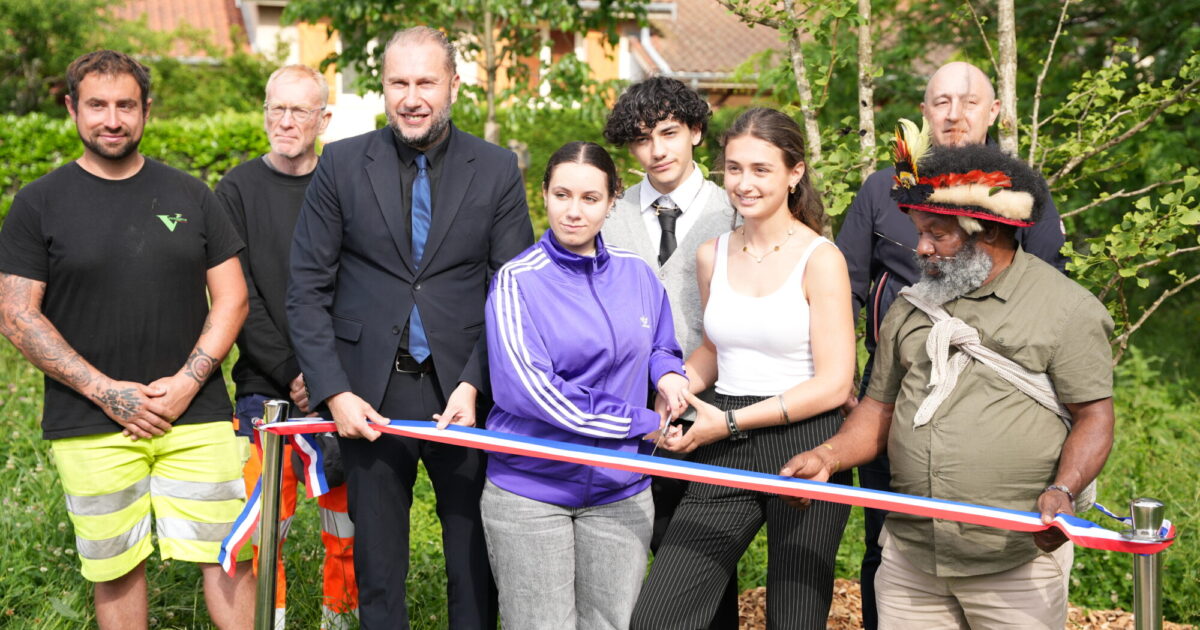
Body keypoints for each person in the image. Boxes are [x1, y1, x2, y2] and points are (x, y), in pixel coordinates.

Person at [782, 137, 1115, 629]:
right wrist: (827, 457)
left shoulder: (1067, 310)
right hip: (910, 559)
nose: (921, 247)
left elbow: (1094, 417)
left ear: (988, 233)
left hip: (1015, 562)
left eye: (938, 235)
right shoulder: (911, 305)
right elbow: (879, 410)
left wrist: (1064, 490)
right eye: (920, 232)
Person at [286, 26, 534, 629]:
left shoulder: (498, 168)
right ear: (383, 88)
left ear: (453, 84)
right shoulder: (342, 164)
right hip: (369, 396)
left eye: (426, 81)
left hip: (466, 395)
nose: (412, 96)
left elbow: (514, 294)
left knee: (474, 570)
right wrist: (334, 391)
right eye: (399, 82)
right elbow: (306, 289)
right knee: (378, 574)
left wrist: (477, 385)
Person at [0, 50, 254, 629]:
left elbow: (233, 298)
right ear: (71, 109)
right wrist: (109, 393)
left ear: (146, 111)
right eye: (97, 105)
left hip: (198, 416)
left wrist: (189, 383)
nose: (111, 119)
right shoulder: (37, 203)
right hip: (89, 422)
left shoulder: (193, 195)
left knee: (227, 556)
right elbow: (16, 315)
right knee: (115, 569)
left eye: (125, 105)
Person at [834, 61, 1070, 628]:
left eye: (969, 102)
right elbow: (844, 285)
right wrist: (843, 374)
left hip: (999, 404)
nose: (954, 114)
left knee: (1001, 547)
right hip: (894, 398)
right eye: (940, 102)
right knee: (888, 544)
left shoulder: (1022, 196)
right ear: (924, 113)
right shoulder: (884, 190)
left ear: (993, 112)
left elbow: (1047, 299)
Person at [631, 108, 857, 630]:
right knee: (659, 617)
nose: (744, 183)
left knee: (794, 619)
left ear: (794, 173)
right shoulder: (712, 254)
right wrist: (677, 387)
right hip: (724, 438)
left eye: (761, 169)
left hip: (808, 441)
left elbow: (834, 383)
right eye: (734, 169)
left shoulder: (821, 258)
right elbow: (714, 349)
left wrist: (729, 422)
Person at [481, 141, 689, 629]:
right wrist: (644, 422)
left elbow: (660, 341)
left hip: (621, 490)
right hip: (532, 492)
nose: (574, 212)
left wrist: (668, 374)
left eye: (590, 198)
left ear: (613, 199)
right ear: (545, 196)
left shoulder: (637, 273)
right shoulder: (516, 281)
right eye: (562, 195)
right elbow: (537, 392)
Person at [215, 64, 357, 629]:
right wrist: (296, 371)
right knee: (263, 528)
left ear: (324, 118)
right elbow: (236, 294)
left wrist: (324, 373)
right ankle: (266, 623)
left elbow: (359, 288)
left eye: (300, 110)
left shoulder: (345, 185)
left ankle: (339, 620)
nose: (286, 120)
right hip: (263, 390)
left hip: (341, 387)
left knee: (346, 524)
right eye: (277, 107)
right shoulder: (236, 190)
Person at [600, 76, 740, 629]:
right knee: (628, 564)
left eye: (669, 133)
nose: (656, 151)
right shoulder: (609, 212)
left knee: (706, 572)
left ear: (696, 132)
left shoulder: (734, 209)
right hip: (626, 415)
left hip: (713, 409)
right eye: (640, 139)